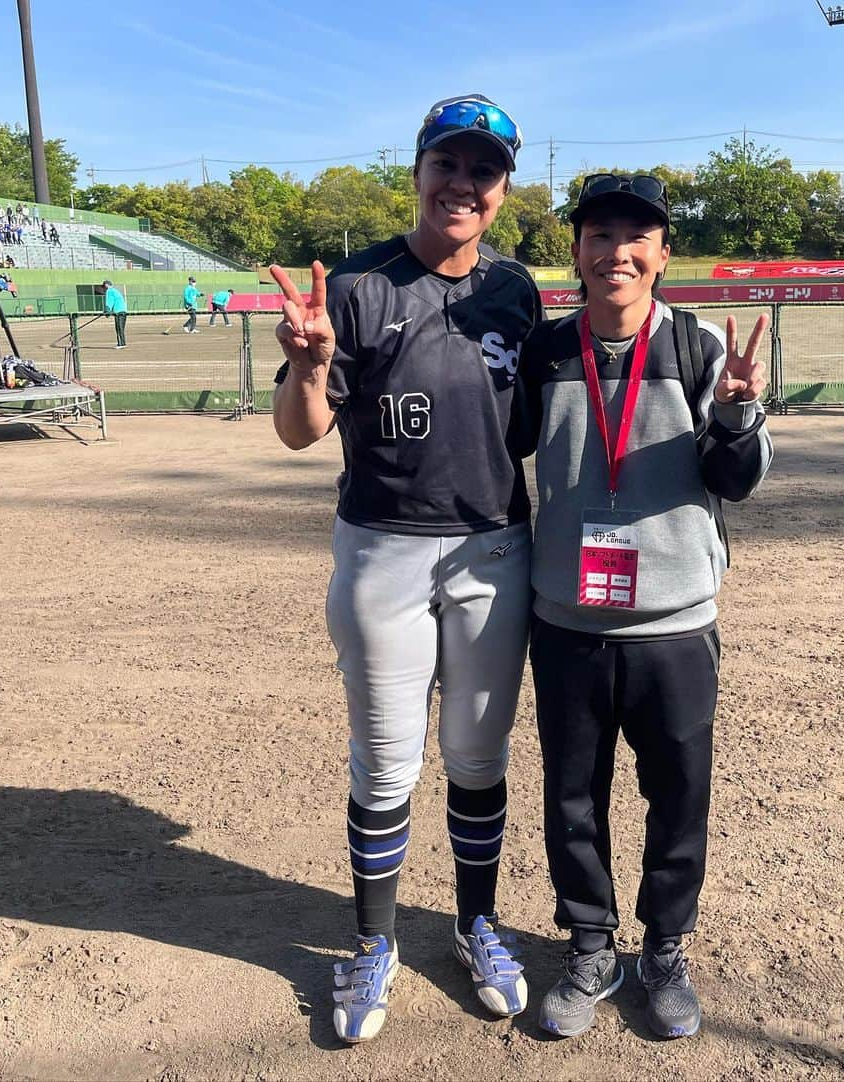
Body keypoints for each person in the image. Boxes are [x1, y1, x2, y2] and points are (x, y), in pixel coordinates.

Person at [270, 93, 541, 1045]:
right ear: (419, 171)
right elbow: (301, 432)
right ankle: (373, 940)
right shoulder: (356, 286)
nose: (463, 184)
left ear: (502, 190)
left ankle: (475, 924)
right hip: (383, 548)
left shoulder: (516, 290)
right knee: (386, 761)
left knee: (476, 757)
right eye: (449, 164)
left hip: (495, 550)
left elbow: (543, 427)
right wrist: (309, 367)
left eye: (484, 171)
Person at [517, 173, 773, 1040]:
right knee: (572, 798)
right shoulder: (545, 351)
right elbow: (494, 451)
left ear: (663, 253)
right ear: (578, 250)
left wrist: (738, 415)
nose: (615, 251)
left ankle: (664, 948)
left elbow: (735, 480)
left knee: (679, 795)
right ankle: (591, 946)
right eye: (598, 233)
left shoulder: (700, 350)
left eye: (637, 235)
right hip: (567, 624)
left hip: (673, 623)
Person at [102, 279, 128, 348]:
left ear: (106, 285)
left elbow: (109, 302)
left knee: (119, 328)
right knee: (121, 328)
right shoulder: (115, 291)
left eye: (104, 286)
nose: (104, 289)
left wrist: (107, 311)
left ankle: (121, 344)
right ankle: (122, 343)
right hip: (123, 311)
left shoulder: (109, 291)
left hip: (118, 312)